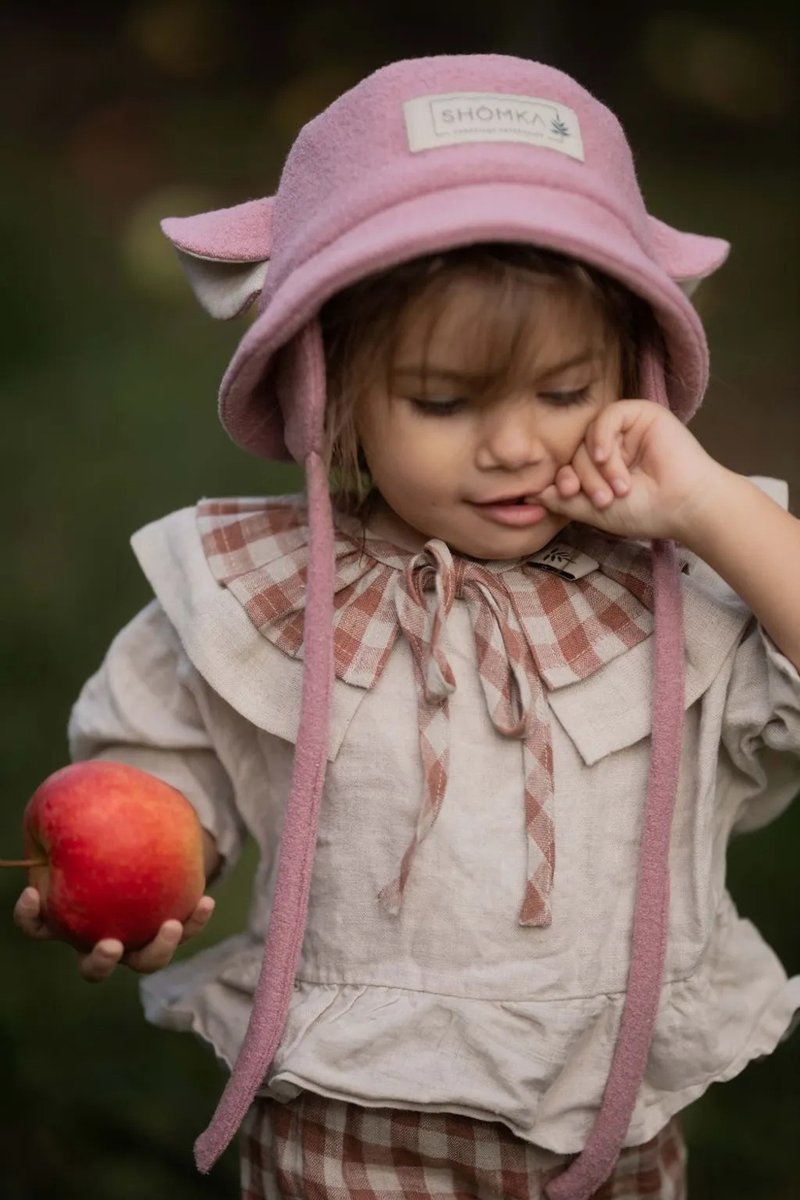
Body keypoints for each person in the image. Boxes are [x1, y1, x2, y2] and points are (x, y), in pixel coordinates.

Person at [13, 53, 800, 1200]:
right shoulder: (270, 591)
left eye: (567, 390)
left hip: (610, 1134)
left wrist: (713, 506)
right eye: (442, 402)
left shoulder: (676, 587)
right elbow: (165, 763)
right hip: (343, 1131)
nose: (516, 446)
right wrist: (141, 876)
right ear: (328, 393)